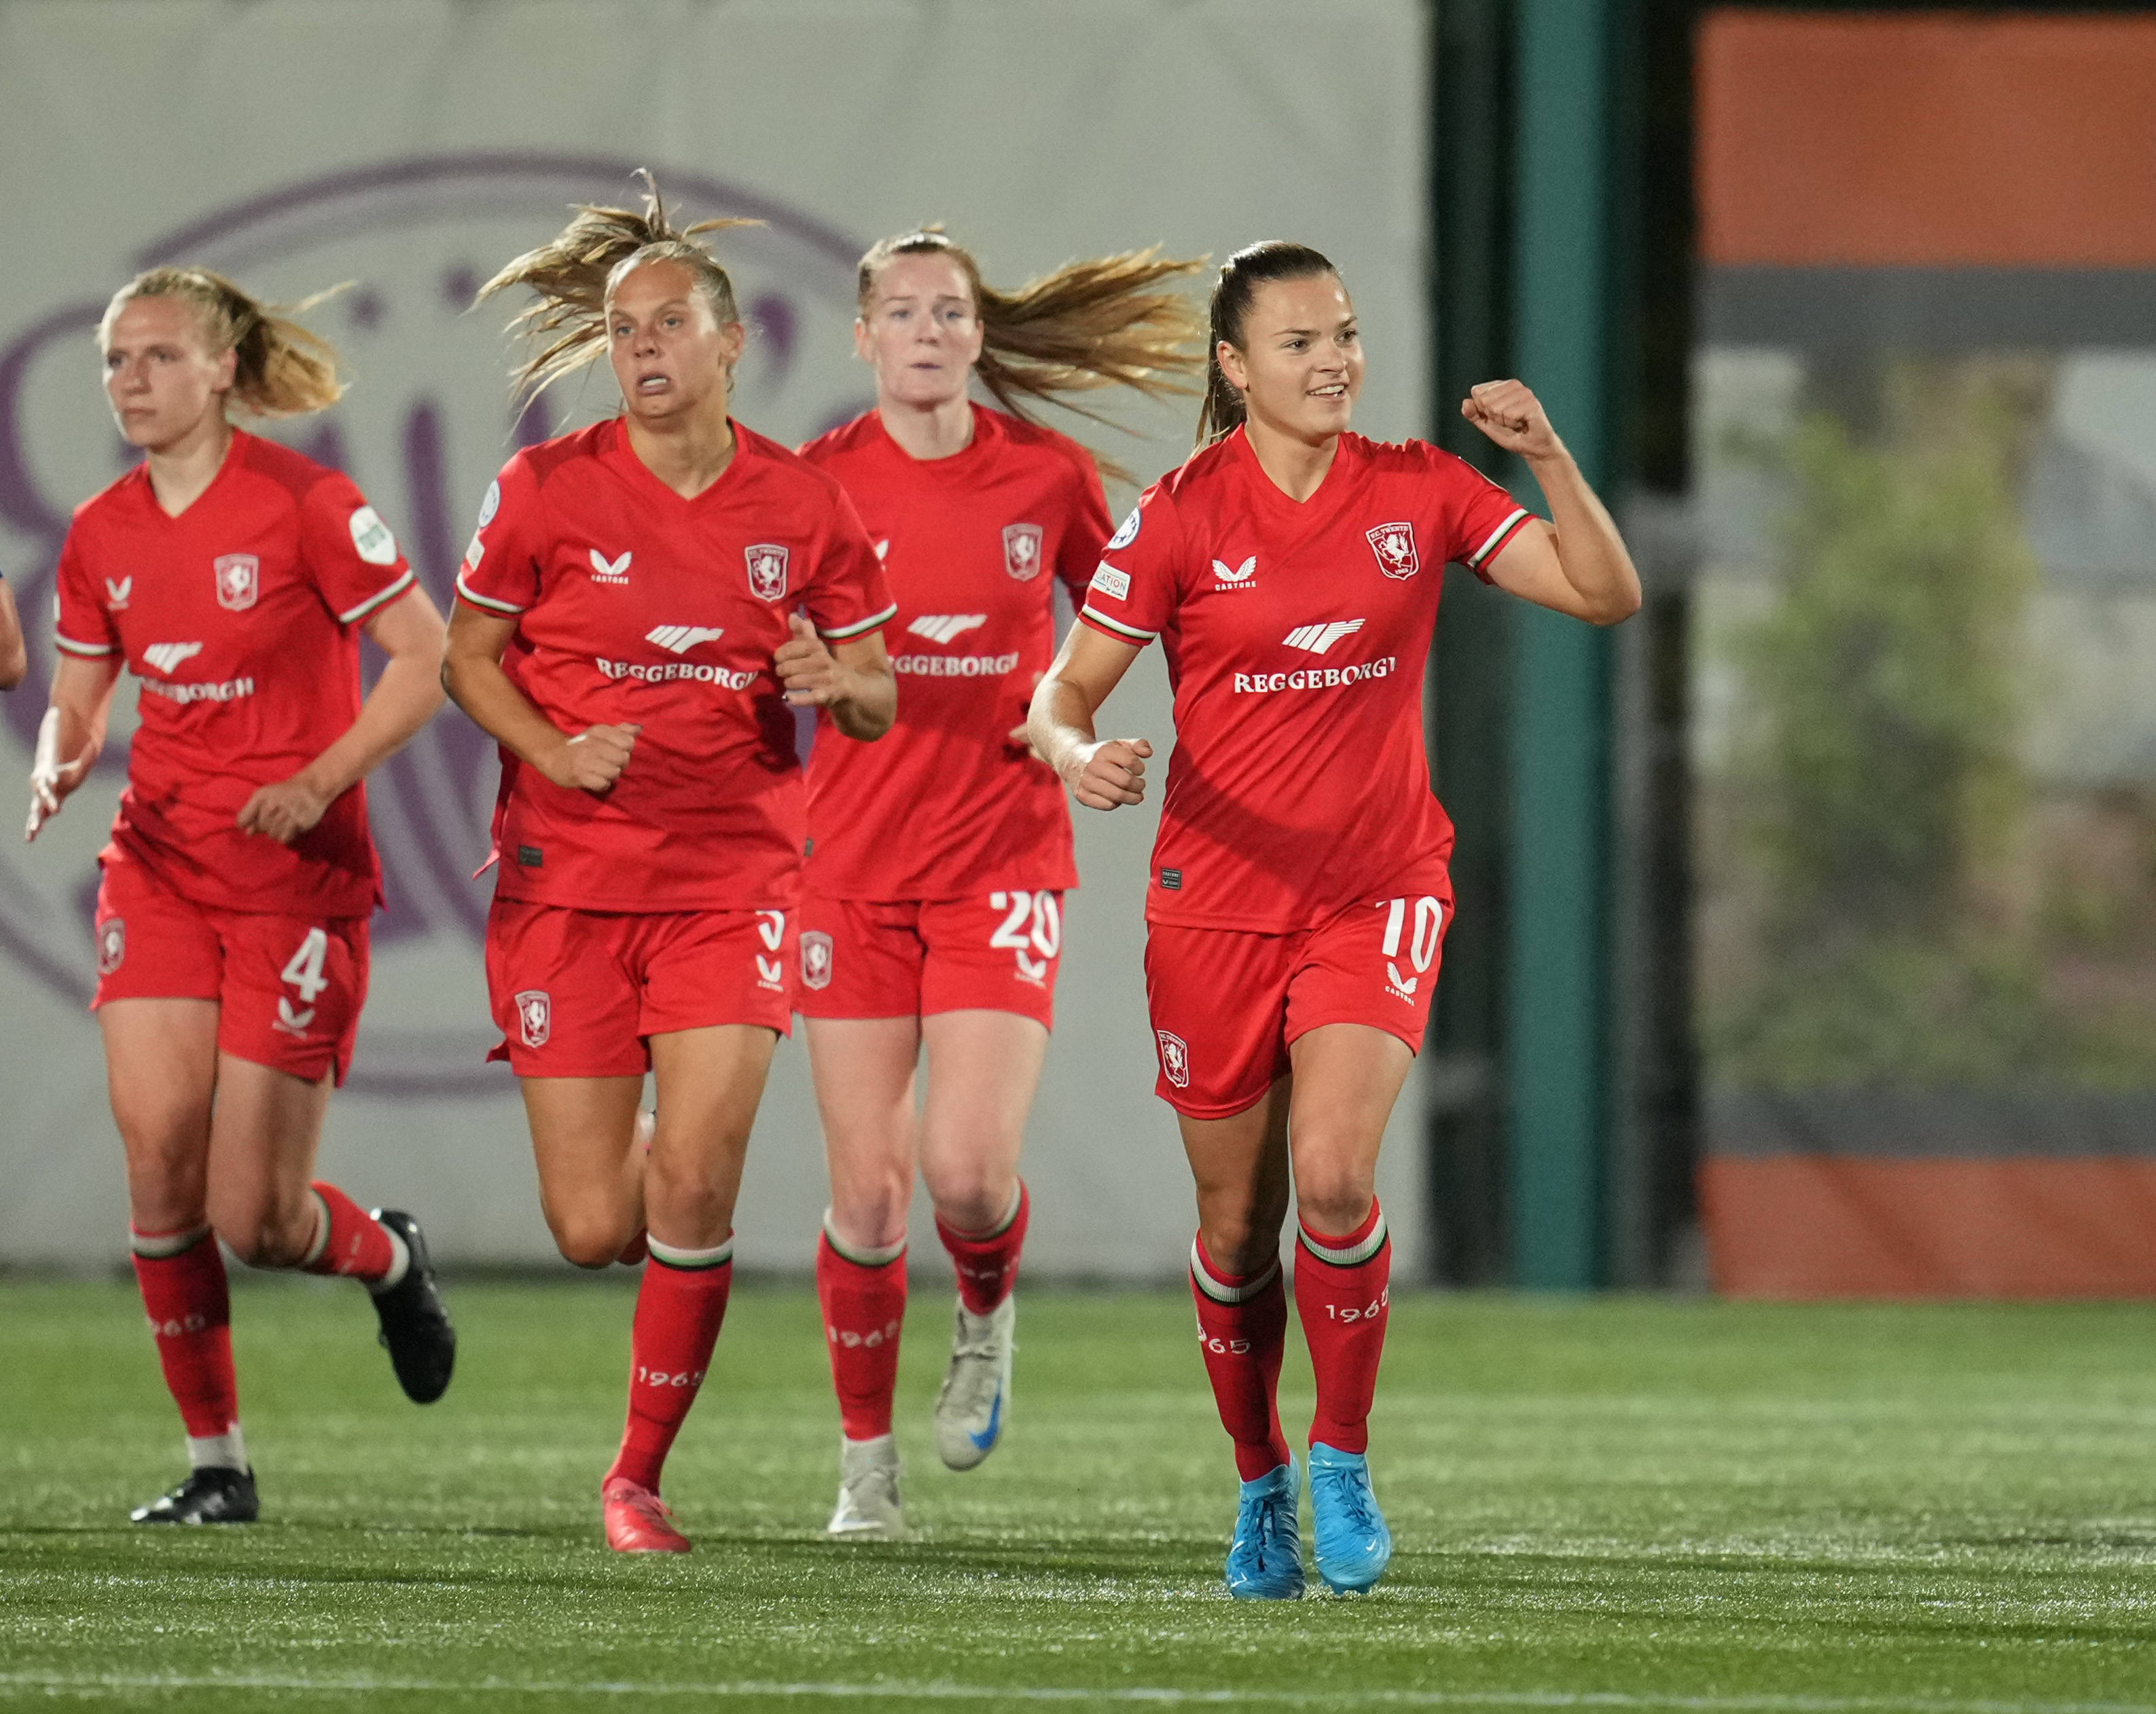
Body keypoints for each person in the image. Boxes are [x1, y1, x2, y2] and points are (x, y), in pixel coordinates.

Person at [1028, 242, 1640, 1599]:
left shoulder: (1417, 488)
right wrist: (1081, 758)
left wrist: (1548, 455)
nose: (1335, 361)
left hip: (1378, 889)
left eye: (1346, 334)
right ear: (1237, 367)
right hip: (1215, 906)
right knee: (1239, 1226)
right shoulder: (1181, 513)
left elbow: (1603, 592)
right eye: (1300, 342)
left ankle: (1343, 1453)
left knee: (1340, 1177)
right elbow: (1058, 696)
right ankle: (1258, 1484)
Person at [443, 179, 897, 1554]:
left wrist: (839, 679)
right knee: (595, 1222)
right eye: (621, 329)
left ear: (730, 338)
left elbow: (877, 692)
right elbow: (468, 656)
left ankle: (634, 1476)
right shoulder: (544, 487)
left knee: (698, 1179)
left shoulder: (802, 502)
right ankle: (643, 1155)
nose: (641, 348)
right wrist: (553, 745)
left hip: (734, 882)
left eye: (665, 325)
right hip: (565, 883)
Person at [24, 266, 456, 1525]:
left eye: (159, 358)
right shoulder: (102, 529)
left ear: (223, 371)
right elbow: (83, 691)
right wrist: (62, 758)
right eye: (115, 361)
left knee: (255, 1218)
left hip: (294, 889)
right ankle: (219, 1465)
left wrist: (321, 779)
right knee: (160, 1167)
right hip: (158, 869)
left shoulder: (310, 506)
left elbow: (425, 659)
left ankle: (386, 1254)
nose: (132, 383)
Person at [795, 228, 1200, 1537]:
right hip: (847, 870)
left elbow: (1120, 627)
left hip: (995, 861)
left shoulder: (1045, 476)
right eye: (900, 312)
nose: (925, 330)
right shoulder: (810, 488)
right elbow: (759, 663)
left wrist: (1075, 742)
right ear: (861, 337)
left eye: (949, 311)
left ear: (978, 335)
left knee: (965, 1177)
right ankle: (866, 1473)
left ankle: (984, 1310)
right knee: (866, 1193)